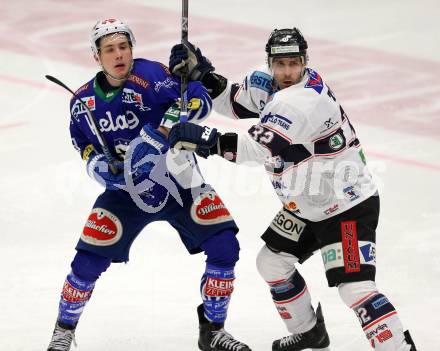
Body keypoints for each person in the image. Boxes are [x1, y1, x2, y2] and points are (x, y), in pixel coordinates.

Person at [167, 28, 418, 351]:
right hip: (308, 204)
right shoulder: (271, 85)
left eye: (294, 63)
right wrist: (201, 74)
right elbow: (233, 100)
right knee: (272, 263)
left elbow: (257, 149)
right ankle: (310, 331)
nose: (287, 72)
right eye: (280, 64)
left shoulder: (301, 100)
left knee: (355, 289)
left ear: (305, 62)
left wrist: (205, 139)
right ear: (270, 63)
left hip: (346, 206)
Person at [46, 18, 251, 351]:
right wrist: (100, 167)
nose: (119, 54)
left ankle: (212, 331)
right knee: (86, 262)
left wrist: (164, 130)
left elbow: (197, 99)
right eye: (110, 49)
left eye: (124, 46)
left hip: (179, 181)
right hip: (126, 193)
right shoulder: (83, 101)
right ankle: (63, 330)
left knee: (225, 246)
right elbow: (83, 143)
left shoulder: (152, 76)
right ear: (96, 57)